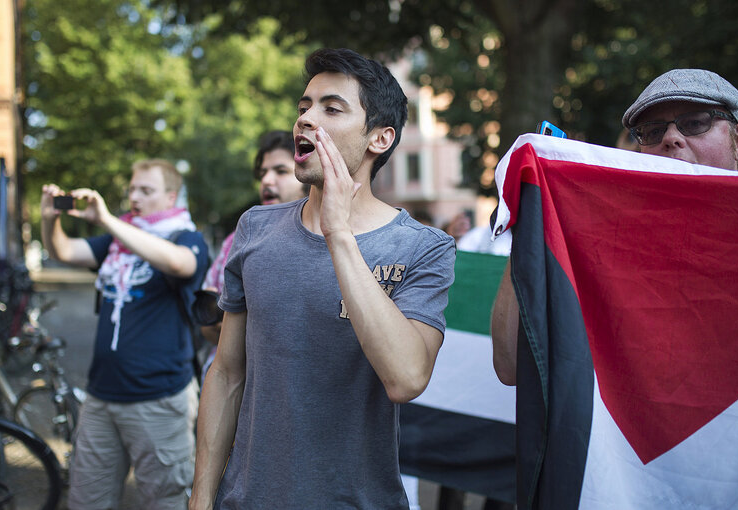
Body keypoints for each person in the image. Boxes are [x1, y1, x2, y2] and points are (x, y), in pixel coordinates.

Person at [190, 48, 456, 509]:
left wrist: (338, 234)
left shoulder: (423, 247)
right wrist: (201, 497)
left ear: (379, 138)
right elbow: (228, 372)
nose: (306, 119)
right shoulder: (255, 227)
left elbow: (407, 378)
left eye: (331, 108)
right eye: (303, 106)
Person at [490, 68, 738, 385]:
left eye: (696, 123)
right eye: (653, 131)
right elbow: (511, 364)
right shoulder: (603, 248)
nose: (671, 138)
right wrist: (532, 212)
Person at [40, 158, 209, 509]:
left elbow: (180, 263)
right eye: (132, 189)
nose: (135, 196)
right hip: (101, 399)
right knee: (87, 501)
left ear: (170, 197)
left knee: (167, 502)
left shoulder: (186, 237)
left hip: (158, 400)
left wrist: (108, 221)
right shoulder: (117, 241)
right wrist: (48, 219)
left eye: (146, 190)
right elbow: (64, 250)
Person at [198, 130, 308, 372]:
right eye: (262, 173)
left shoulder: (325, 240)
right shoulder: (236, 240)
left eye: (280, 171)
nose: (267, 181)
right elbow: (206, 325)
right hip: (227, 384)